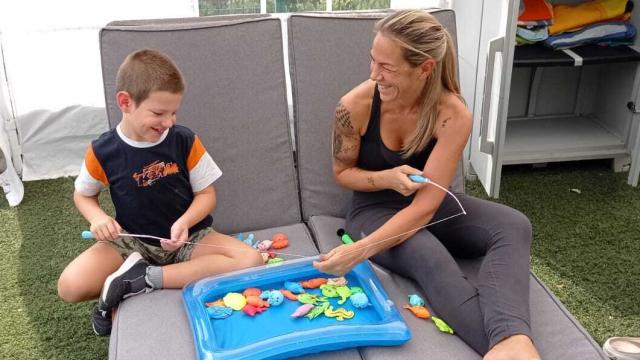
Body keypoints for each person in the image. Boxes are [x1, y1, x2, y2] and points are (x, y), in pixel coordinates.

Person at [313, 10, 541, 360]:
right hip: (373, 211)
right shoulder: (353, 106)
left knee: (514, 224)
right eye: (373, 61)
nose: (374, 75)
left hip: (426, 206)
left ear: (425, 68)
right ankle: (509, 347)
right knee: (428, 255)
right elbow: (343, 173)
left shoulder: (453, 114)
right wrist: (386, 179)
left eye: (387, 67)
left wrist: (358, 253)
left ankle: (510, 341)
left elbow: (425, 207)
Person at [57, 49, 263, 336]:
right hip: (131, 242)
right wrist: (97, 218)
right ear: (125, 102)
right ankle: (132, 271)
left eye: (174, 112)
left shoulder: (184, 140)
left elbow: (207, 195)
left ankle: (143, 279)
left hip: (191, 238)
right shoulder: (103, 151)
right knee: (70, 286)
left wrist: (185, 222)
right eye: (158, 113)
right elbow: (83, 195)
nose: (169, 122)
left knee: (251, 259)